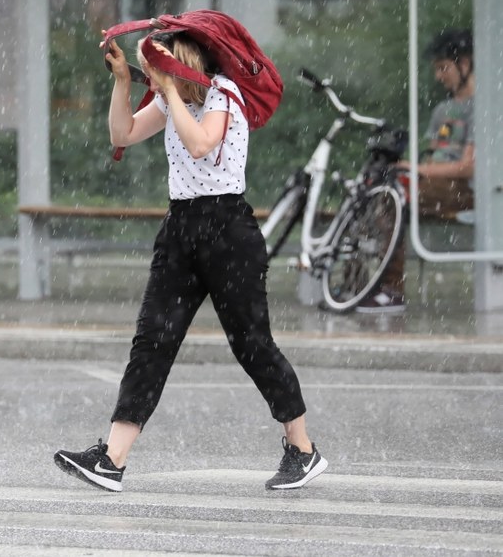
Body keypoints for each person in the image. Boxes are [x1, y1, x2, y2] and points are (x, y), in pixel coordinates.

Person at [53, 32, 328, 492]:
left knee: (252, 343)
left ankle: (302, 449)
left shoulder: (223, 93)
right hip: (181, 225)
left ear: (178, 67)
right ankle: (112, 460)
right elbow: (121, 134)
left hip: (228, 230)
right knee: (153, 339)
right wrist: (123, 82)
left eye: (153, 71)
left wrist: (173, 90)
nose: (151, 82)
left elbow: (201, 143)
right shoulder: (167, 100)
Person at [357, 29, 475, 313]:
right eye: (436, 69)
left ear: (466, 65)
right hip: (435, 185)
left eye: (443, 67)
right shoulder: (444, 110)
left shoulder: (484, 107)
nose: (439, 76)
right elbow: (434, 156)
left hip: (465, 190)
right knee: (371, 193)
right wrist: (413, 171)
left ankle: (392, 290)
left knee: (391, 200)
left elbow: (469, 166)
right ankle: (357, 284)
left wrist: (417, 170)